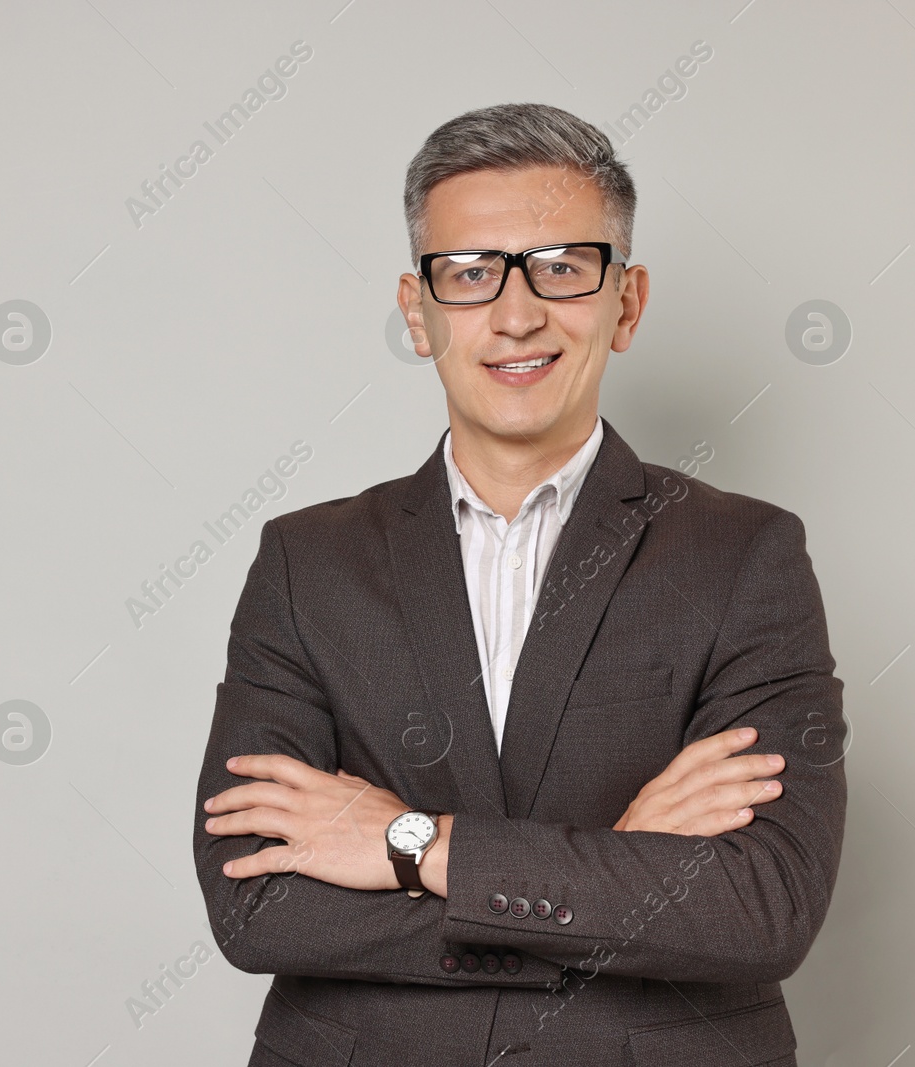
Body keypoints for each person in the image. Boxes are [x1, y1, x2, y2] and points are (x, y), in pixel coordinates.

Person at [192, 102, 846, 1066]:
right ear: (418, 313)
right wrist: (617, 864)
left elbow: (762, 907)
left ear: (626, 302)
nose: (516, 313)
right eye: (469, 274)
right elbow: (256, 905)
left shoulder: (747, 555)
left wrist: (411, 845)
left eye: (563, 267)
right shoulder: (307, 562)